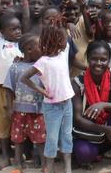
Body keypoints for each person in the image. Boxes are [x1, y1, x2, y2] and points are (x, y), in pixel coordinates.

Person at [21, 16, 75, 173]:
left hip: (67, 103)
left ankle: (67, 169)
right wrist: (42, 91)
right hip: (52, 106)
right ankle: (49, 168)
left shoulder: (62, 54)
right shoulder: (43, 61)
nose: (62, 43)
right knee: (51, 138)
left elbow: (66, 39)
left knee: (67, 136)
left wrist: (61, 25)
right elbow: (24, 78)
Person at [72, 41, 111, 172]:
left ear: (109, 60)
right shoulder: (78, 82)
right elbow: (77, 119)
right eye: (94, 59)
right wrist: (105, 129)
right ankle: (95, 153)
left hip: (110, 128)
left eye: (103, 59)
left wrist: (102, 105)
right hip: (91, 132)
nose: (99, 63)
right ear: (88, 58)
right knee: (84, 154)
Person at [0, 0, 25, 170]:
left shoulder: (24, 44)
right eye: (13, 29)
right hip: (2, 90)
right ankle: (6, 157)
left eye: (19, 28)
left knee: (20, 123)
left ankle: (21, 155)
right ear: (3, 31)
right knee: (3, 124)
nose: (18, 31)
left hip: (20, 91)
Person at [4, 34, 46, 172]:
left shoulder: (43, 66)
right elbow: (9, 89)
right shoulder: (15, 67)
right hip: (19, 110)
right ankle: (18, 162)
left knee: (40, 139)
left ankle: (45, 164)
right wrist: (10, 108)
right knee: (17, 138)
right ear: (29, 49)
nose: (43, 48)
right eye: (40, 46)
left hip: (38, 110)